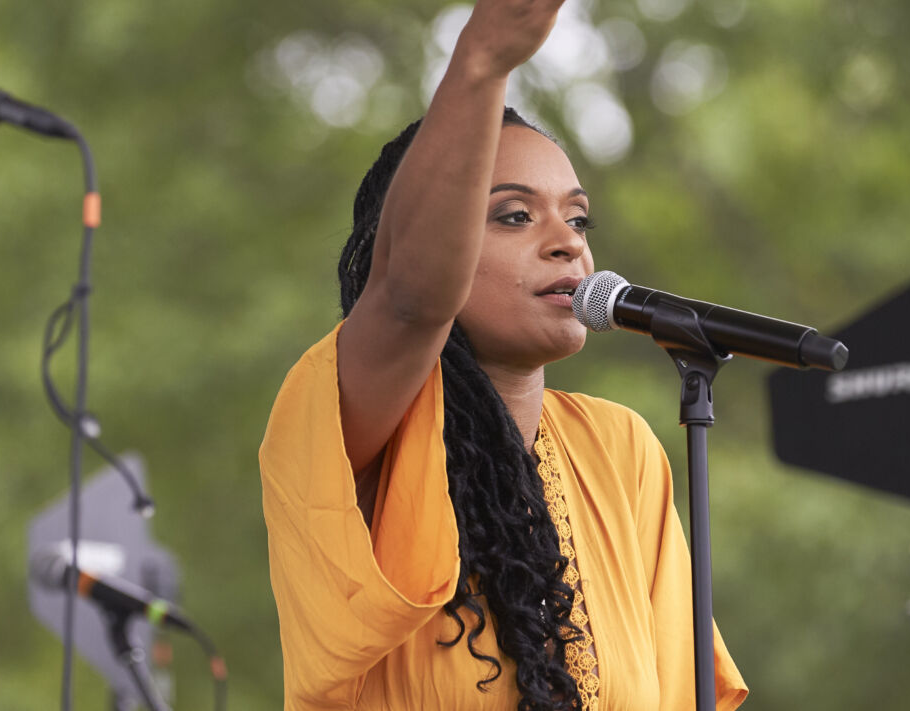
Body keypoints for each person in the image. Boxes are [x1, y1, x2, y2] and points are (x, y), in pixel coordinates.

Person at [259, 1, 748, 709]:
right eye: (513, 215)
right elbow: (409, 298)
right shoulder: (351, 428)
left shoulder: (622, 452)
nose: (566, 241)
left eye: (577, 218)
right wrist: (483, 57)